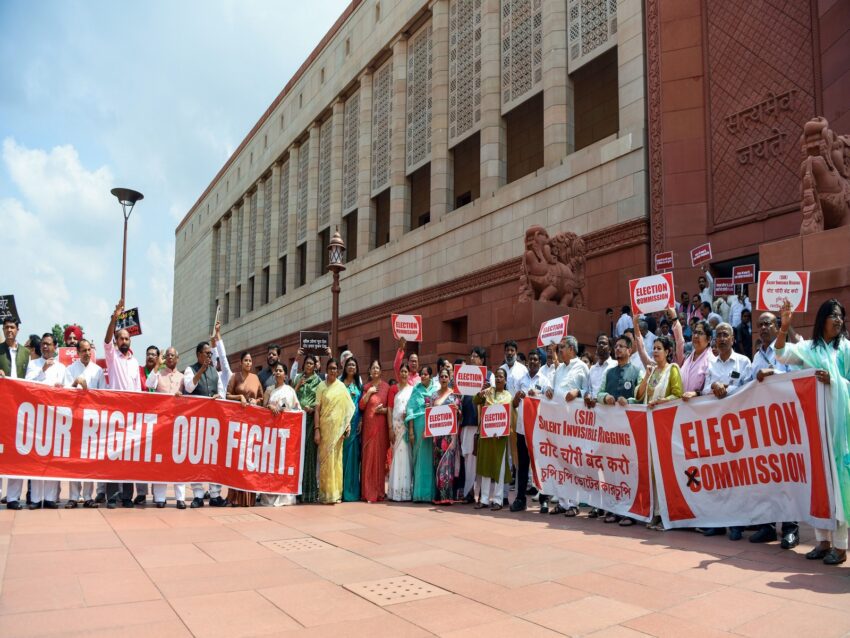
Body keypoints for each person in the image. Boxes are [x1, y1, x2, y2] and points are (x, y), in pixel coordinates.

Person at [776, 298, 849, 565]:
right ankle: (823, 541)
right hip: (815, 426)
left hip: (840, 429)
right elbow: (781, 354)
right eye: (833, 315)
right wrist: (784, 326)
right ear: (822, 319)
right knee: (819, 482)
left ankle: (840, 546)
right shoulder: (809, 349)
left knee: (839, 484)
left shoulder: (846, 349)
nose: (838, 320)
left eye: (841, 316)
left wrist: (835, 381)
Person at [748, 311, 798, 548]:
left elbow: (797, 379)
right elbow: (746, 386)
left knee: (787, 477)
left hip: (785, 422)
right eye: (760, 324)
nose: (764, 327)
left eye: (768, 323)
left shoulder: (788, 351)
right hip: (762, 425)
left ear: (778, 326)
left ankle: (790, 529)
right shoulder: (756, 357)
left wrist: (774, 374)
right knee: (765, 476)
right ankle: (767, 527)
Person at [701, 322, 752, 540]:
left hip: (738, 426)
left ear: (732, 339)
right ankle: (719, 522)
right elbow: (704, 389)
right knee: (718, 475)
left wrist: (727, 388)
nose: (721, 339)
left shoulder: (744, 362)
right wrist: (714, 386)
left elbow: (749, 388)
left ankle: (737, 524)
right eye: (718, 335)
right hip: (715, 427)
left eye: (725, 335)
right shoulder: (711, 365)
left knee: (737, 476)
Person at [104, 300, 143, 508]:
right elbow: (106, 340)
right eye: (121, 338)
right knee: (113, 454)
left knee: (129, 456)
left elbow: (138, 390)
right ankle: (111, 496)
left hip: (131, 417)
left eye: (127, 338)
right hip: (114, 414)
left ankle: (127, 496)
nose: (124, 341)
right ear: (117, 341)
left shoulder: (134, 362)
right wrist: (114, 318)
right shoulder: (112, 357)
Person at [546, 336, 589, 516]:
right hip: (558, 423)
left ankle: (574, 503)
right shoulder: (560, 369)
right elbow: (551, 388)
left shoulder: (582, 367)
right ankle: (563, 502)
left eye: (562, 347)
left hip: (574, 425)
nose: (559, 350)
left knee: (573, 463)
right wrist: (548, 391)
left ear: (571, 349)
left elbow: (589, 392)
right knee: (560, 462)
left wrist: (578, 392)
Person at [24, 333, 68, 508]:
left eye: (48, 344)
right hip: (37, 416)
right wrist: (43, 370)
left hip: (55, 418)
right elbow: (27, 385)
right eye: (43, 344)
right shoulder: (33, 364)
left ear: (55, 347)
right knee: (37, 457)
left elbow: (68, 390)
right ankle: (35, 499)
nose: (45, 347)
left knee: (52, 457)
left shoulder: (62, 367)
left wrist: (61, 388)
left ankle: (50, 498)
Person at [182, 341, 228, 508]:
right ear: (198, 355)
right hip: (197, 422)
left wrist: (219, 397)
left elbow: (222, 392)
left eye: (210, 353)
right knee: (196, 458)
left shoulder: (215, 372)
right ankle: (198, 495)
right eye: (207, 353)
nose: (210, 356)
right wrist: (201, 370)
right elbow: (189, 387)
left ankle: (215, 494)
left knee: (214, 458)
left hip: (214, 423)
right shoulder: (190, 369)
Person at [64, 338, 106, 508]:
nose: (87, 353)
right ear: (77, 352)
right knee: (74, 458)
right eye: (83, 350)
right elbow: (65, 394)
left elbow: (103, 395)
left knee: (89, 458)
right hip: (74, 419)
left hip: (91, 420)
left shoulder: (98, 371)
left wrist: (89, 393)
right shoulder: (70, 369)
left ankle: (88, 496)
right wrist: (75, 383)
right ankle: (74, 496)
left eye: (89, 350)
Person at [145, 346, 187, 508]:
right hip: (161, 424)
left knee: (179, 460)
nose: (169, 357)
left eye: (172, 355)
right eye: (167, 355)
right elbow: (149, 384)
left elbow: (190, 394)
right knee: (160, 460)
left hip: (178, 424)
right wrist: (157, 365)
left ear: (177, 358)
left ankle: (180, 498)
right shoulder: (158, 374)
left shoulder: (183, 377)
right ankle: (160, 498)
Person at [511, 349, 551, 512]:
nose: (533, 362)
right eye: (531, 359)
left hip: (538, 429)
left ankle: (544, 499)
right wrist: (517, 397)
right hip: (522, 428)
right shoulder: (521, 380)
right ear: (527, 362)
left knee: (540, 464)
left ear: (540, 363)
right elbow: (514, 404)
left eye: (536, 359)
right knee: (522, 465)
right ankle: (520, 499)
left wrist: (539, 394)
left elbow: (549, 401)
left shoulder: (545, 380)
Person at [225, 351, 264, 507]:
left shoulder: (255, 378)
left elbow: (262, 398)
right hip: (237, 422)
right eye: (246, 360)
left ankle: (248, 498)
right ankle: (234, 497)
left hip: (252, 423)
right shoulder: (235, 377)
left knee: (249, 458)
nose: (248, 363)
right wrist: (239, 397)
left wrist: (256, 401)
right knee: (237, 458)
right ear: (240, 362)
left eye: (250, 360)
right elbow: (227, 395)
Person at [261, 361, 302, 506]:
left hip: (285, 435)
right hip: (272, 435)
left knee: (284, 464)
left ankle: (285, 496)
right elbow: (262, 410)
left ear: (285, 375)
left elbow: (298, 410)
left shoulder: (290, 391)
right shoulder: (270, 391)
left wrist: (286, 411)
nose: (277, 372)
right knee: (271, 464)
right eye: (276, 370)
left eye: (280, 370)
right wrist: (270, 406)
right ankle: (269, 495)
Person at [315, 358, 354, 504]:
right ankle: (325, 494)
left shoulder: (342, 387)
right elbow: (317, 410)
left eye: (335, 369)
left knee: (336, 461)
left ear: (338, 371)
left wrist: (347, 425)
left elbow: (348, 408)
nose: (333, 371)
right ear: (326, 370)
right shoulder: (321, 386)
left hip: (338, 432)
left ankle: (336, 494)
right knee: (325, 461)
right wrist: (317, 430)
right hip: (325, 430)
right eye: (330, 368)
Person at [474, 367, 512, 510]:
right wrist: (480, 393)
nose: (498, 378)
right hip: (486, 436)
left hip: (500, 438)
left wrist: (501, 429)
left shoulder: (508, 395)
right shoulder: (488, 391)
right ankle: (484, 499)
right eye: (496, 376)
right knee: (485, 466)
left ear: (505, 380)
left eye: (501, 376)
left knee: (499, 468)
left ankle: (497, 500)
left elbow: (508, 414)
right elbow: (475, 400)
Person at [359, 360, 390, 503]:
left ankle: (378, 492)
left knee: (379, 458)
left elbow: (391, 408)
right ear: (370, 371)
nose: (375, 370)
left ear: (381, 371)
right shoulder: (366, 387)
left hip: (381, 427)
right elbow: (361, 406)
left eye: (377, 368)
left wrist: (383, 410)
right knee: (369, 458)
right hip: (369, 427)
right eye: (373, 368)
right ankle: (367, 493)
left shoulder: (387, 387)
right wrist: (369, 393)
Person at [293, 354, 322, 503]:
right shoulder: (298, 378)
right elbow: (290, 395)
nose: (309, 365)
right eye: (307, 363)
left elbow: (320, 401)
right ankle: (296, 491)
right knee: (297, 455)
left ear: (315, 366)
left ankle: (309, 492)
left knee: (309, 455)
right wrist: (298, 385)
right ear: (303, 365)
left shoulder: (319, 381)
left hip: (311, 420)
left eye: (311, 363)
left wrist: (312, 408)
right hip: (298, 420)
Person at [407, 365, 438, 502]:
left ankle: (429, 494)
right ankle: (419, 494)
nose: (423, 376)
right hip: (418, 428)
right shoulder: (416, 390)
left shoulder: (435, 390)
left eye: (426, 374)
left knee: (430, 460)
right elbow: (410, 410)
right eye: (422, 374)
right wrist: (411, 430)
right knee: (419, 459)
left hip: (432, 428)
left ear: (430, 376)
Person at [432, 368, 461, 504]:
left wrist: (457, 411)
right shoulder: (434, 396)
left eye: (446, 376)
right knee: (438, 465)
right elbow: (430, 414)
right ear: (439, 379)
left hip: (450, 436)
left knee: (448, 465)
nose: (443, 378)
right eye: (441, 376)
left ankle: (448, 496)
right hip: (437, 436)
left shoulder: (454, 396)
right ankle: (439, 497)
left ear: (449, 378)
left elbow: (460, 415)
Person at [387, 363, 414, 501]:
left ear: (409, 374)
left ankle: (405, 490)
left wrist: (408, 415)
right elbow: (390, 409)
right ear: (398, 373)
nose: (403, 374)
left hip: (407, 427)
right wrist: (390, 428)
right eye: (402, 371)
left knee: (406, 456)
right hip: (396, 428)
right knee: (397, 456)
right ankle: (396, 490)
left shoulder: (412, 389)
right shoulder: (393, 389)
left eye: (406, 372)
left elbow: (414, 407)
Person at [340, 357, 362, 501]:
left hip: (355, 425)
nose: (351, 367)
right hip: (341, 424)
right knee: (342, 457)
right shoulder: (340, 384)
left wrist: (361, 420)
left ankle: (352, 492)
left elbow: (362, 404)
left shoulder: (359, 385)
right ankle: (341, 490)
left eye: (354, 365)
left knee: (353, 458)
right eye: (349, 365)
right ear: (345, 367)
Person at [681, 319, 716, 400]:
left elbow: (710, 390)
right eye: (695, 332)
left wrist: (696, 394)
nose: (696, 336)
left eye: (700, 333)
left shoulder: (711, 360)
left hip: (700, 405)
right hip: (683, 404)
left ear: (709, 339)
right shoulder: (688, 358)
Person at [209, 321, 233, 389]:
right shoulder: (215, 373)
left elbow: (222, 356)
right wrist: (212, 341)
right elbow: (214, 356)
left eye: (218, 362)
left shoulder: (227, 373)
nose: (216, 363)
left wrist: (217, 332)